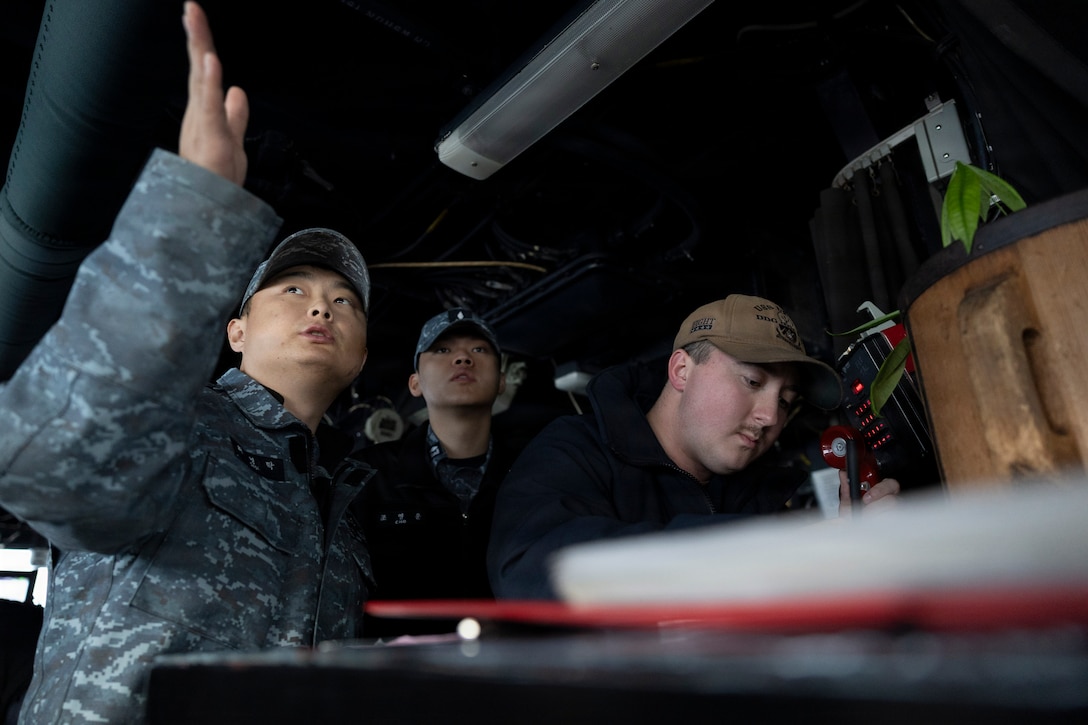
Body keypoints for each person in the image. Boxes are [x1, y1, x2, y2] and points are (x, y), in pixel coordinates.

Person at [0, 4, 374, 723]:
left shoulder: (342, 498)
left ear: (360, 357)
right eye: (292, 289)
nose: (321, 308)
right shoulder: (180, 425)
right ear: (235, 329)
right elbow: (46, 469)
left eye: (344, 302)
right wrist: (193, 220)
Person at [487, 294, 901, 600]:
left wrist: (855, 549)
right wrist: (770, 547)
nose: (771, 417)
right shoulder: (575, 450)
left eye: (785, 401)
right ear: (682, 370)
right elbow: (530, 569)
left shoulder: (764, 496)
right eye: (753, 382)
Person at [354, 308, 514, 636]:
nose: (462, 359)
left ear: (501, 381)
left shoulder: (534, 471)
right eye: (442, 350)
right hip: (404, 673)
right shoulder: (369, 474)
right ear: (414, 383)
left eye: (479, 350)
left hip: (510, 671)